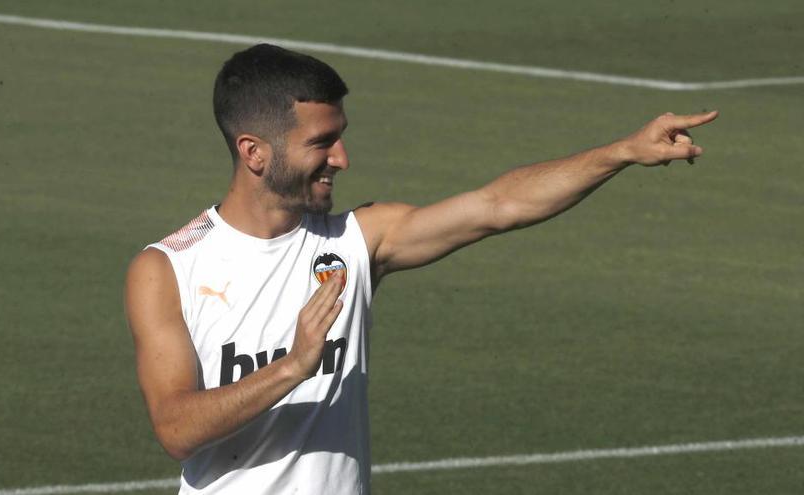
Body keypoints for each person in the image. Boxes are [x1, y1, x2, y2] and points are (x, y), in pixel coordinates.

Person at [124, 43, 718, 494]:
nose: (343, 159)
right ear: (254, 151)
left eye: (341, 138)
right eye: (321, 143)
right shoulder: (168, 268)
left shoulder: (358, 240)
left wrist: (620, 152)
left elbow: (497, 207)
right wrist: (294, 367)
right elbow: (176, 428)